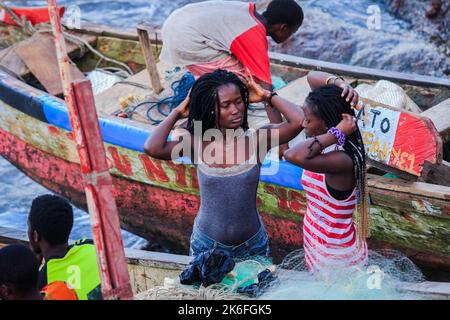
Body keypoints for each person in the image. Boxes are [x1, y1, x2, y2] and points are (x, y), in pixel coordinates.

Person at [144, 69, 304, 260]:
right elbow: (152, 147)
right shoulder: (196, 143)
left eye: (238, 101)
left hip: (252, 244)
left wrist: (265, 95)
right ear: (211, 108)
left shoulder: (258, 139)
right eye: (226, 105)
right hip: (207, 245)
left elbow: (299, 120)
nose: (236, 110)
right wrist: (177, 112)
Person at [160, 0, 304, 148]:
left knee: (221, 83)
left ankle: (202, 114)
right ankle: (193, 127)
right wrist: (282, 142)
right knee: (236, 85)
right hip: (187, 38)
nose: (290, 37)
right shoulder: (253, 34)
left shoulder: (248, 13)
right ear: (283, 28)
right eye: (292, 32)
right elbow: (265, 90)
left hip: (176, 25)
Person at [283, 71, 369, 273]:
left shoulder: (343, 160)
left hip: (338, 261)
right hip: (318, 247)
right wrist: (339, 83)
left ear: (330, 124)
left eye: (308, 120)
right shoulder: (326, 143)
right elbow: (312, 77)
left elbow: (292, 155)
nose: (303, 123)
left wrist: (337, 132)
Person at [27, 194, 102, 300]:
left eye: (28, 226)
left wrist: (33, 264)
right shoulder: (91, 246)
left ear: (35, 235)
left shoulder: (43, 280)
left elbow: (27, 292)